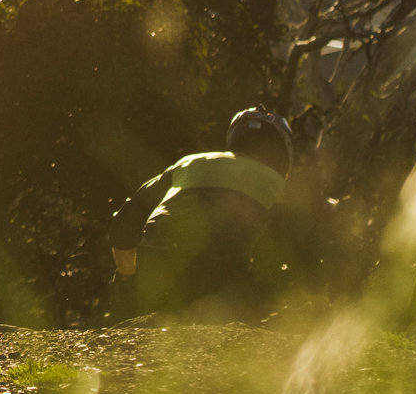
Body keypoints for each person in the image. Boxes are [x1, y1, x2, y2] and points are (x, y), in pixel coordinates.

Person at [108, 109, 296, 318]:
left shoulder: (188, 162)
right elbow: (306, 245)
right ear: (282, 153)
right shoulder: (280, 185)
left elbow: (124, 221)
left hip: (156, 260)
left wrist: (127, 281)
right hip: (220, 271)